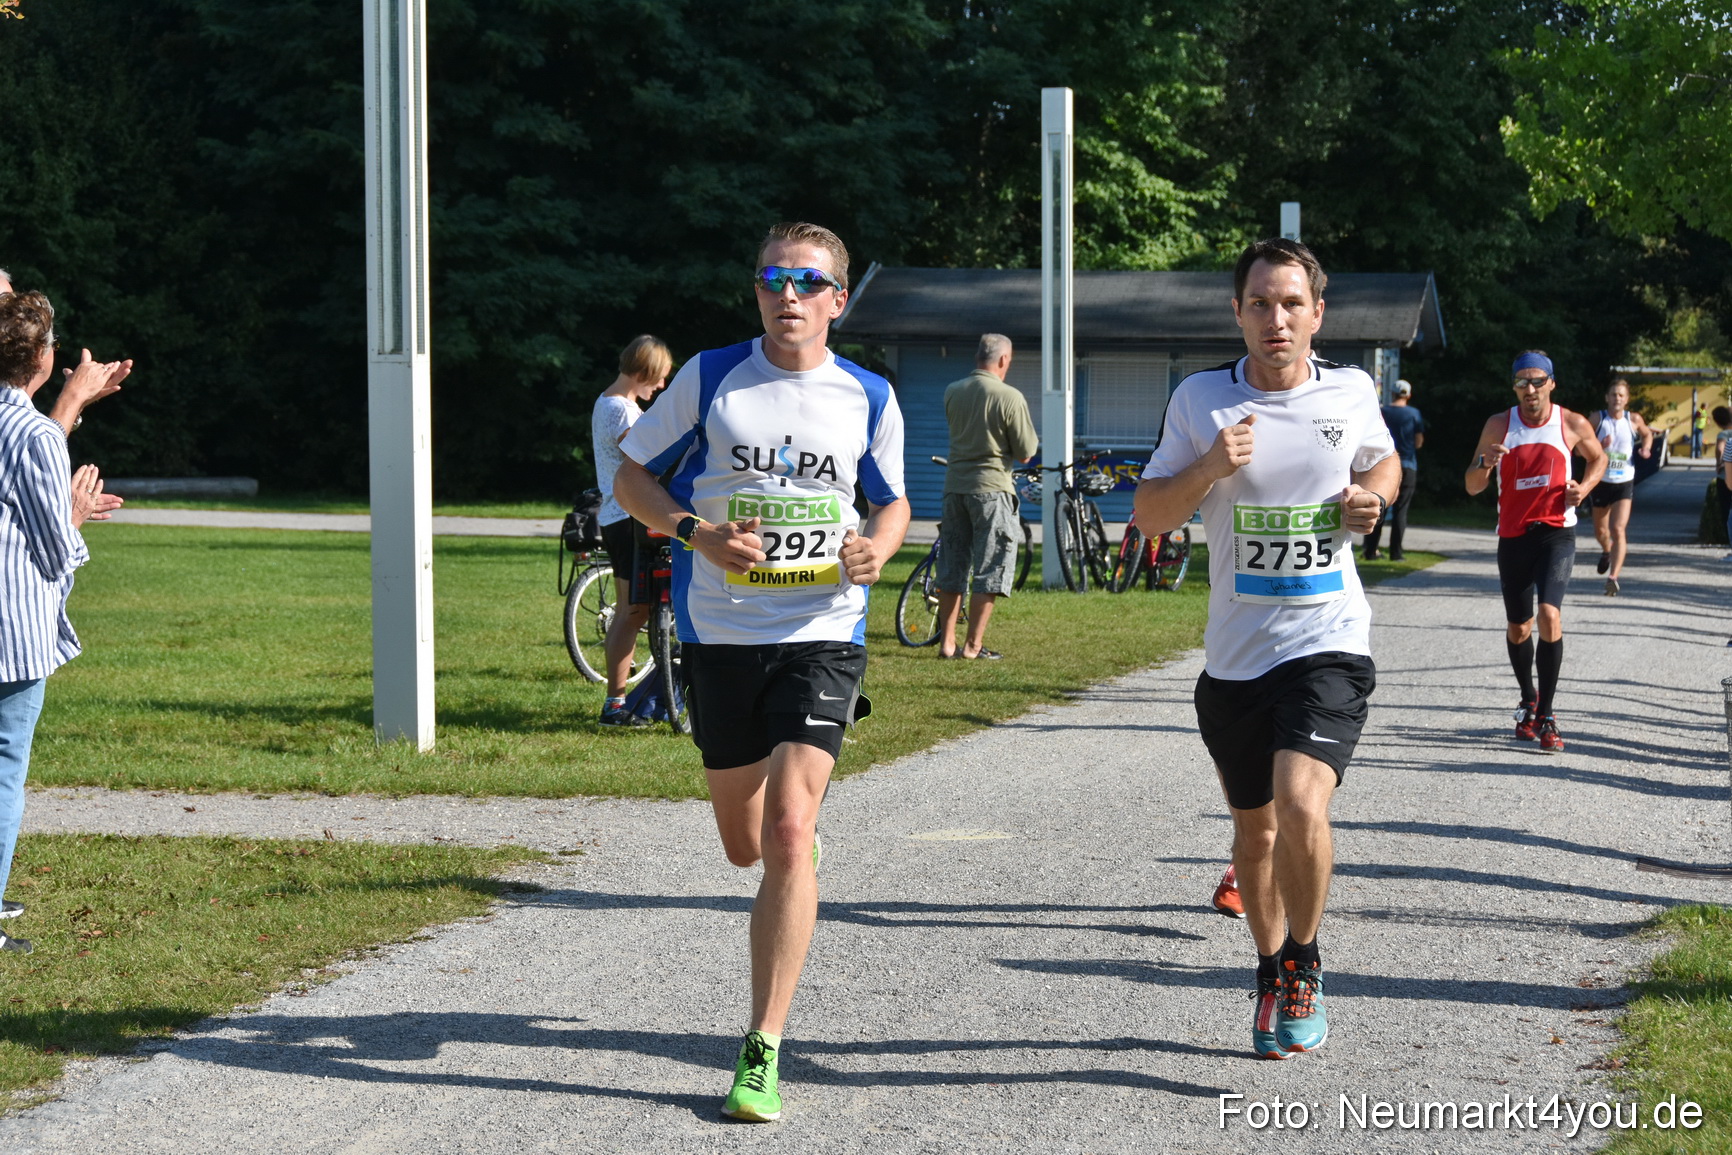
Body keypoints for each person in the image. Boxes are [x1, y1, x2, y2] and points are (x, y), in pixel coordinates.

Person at [613, 221, 908, 1121]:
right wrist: (695, 532)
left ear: (837, 298)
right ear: (757, 291)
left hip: (822, 631)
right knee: (745, 843)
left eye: (808, 282)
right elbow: (630, 477)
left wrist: (875, 554)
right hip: (721, 633)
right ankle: (792, 853)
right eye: (774, 278)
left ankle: (762, 1045)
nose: (790, 295)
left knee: (784, 830)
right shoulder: (709, 376)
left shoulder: (869, 393)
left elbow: (892, 505)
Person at [1134, 238, 1399, 1061]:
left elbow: (1383, 461)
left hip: (1328, 643)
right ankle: (1268, 964)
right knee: (1252, 837)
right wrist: (1211, 464)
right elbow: (1149, 517)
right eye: (1260, 303)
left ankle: (1306, 962)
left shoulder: (1352, 390)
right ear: (1238, 312)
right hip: (1235, 663)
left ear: (1317, 314)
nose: (1275, 318)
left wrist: (1370, 498)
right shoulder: (1200, 400)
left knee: (1300, 802)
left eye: (1292, 303)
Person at [0, 290, 129, 952]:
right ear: (44, 358)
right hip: (12, 636)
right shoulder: (36, 434)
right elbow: (54, 553)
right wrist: (75, 514)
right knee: (5, 768)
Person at [1464, 351, 1606, 755]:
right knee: (1519, 628)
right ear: (1514, 386)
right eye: (1523, 382)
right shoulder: (1498, 425)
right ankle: (1528, 698)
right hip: (1513, 537)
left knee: (1549, 614)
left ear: (1551, 383)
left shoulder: (1572, 423)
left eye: (1538, 381)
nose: (1531, 389)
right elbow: (1472, 485)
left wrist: (1585, 487)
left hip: (1556, 534)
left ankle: (1547, 713)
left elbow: (1599, 458)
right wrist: (1484, 462)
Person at [935, 333, 1037, 659]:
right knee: (990, 567)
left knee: (952, 565)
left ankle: (946, 643)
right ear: (1003, 360)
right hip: (992, 489)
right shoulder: (1010, 397)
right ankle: (972, 646)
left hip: (955, 487)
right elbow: (1026, 451)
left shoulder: (953, 391)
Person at [590, 335, 672, 726]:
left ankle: (625, 699)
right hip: (629, 518)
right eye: (659, 379)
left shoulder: (605, 403)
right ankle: (616, 703)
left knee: (633, 611)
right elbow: (645, 462)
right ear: (645, 371)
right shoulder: (622, 412)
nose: (661, 387)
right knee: (631, 612)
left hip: (616, 517)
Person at [1587, 378, 1654, 596]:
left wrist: (1646, 449)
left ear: (1627, 399)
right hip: (1600, 480)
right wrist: (1598, 446)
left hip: (1624, 481)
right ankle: (1606, 550)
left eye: (1621, 395)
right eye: (1613, 394)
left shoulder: (1633, 419)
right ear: (1607, 397)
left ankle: (1613, 577)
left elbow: (1647, 433)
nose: (1617, 398)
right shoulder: (1597, 419)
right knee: (1601, 531)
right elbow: (1579, 449)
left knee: (1618, 528)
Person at [1361, 379, 1423, 562]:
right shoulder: (1414, 414)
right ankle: (1396, 554)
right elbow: (1419, 442)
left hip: (1382, 466)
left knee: (1378, 505)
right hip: (1407, 465)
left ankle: (1370, 551)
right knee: (1400, 511)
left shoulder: (1383, 412)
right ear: (1408, 395)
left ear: (1392, 394)